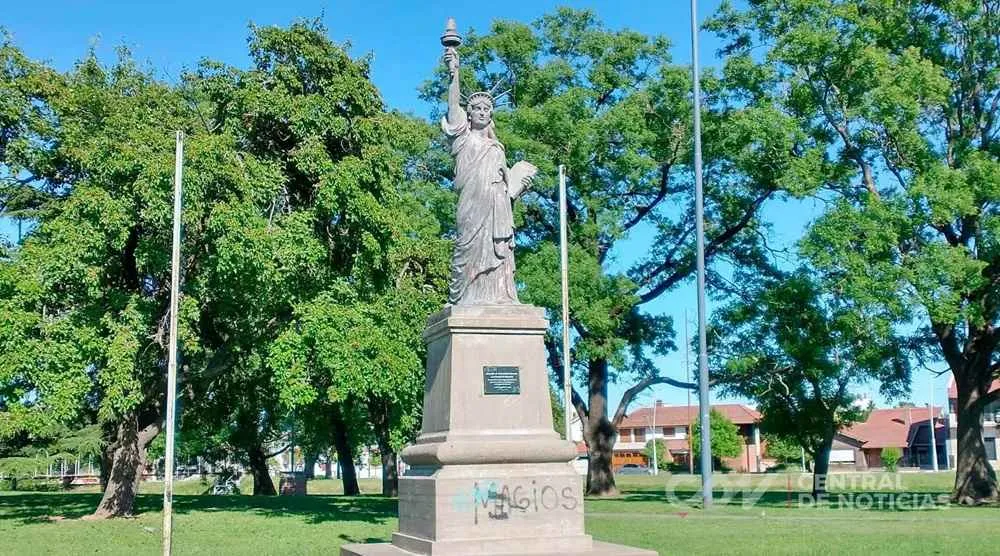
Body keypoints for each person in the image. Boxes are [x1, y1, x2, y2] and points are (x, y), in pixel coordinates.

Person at [442, 47, 533, 305]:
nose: (482, 112)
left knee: (499, 250)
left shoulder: (498, 148)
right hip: (472, 206)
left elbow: (507, 185)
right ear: (469, 113)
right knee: (466, 249)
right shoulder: (463, 138)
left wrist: (516, 187)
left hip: (497, 206)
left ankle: (499, 296)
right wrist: (454, 73)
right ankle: (462, 299)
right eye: (477, 108)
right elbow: (452, 106)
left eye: (487, 109)